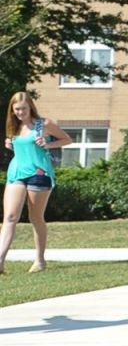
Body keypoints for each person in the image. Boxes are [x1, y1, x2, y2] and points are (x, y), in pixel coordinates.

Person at [4, 92, 71, 274]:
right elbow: (22, 147)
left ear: (30, 107)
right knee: (10, 217)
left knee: (35, 217)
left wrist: (47, 144)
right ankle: (0, 261)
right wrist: (11, 144)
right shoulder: (13, 126)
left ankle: (40, 260)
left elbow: (67, 139)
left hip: (39, 172)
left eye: (23, 109)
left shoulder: (43, 124)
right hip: (17, 172)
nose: (20, 112)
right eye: (17, 109)